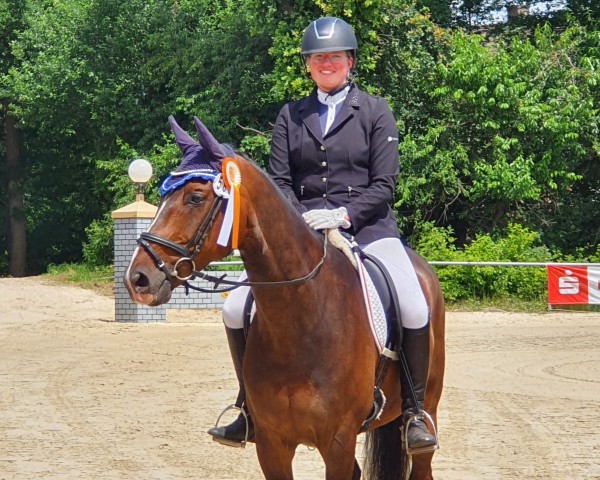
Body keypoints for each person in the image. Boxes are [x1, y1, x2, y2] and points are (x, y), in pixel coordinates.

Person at [208, 16, 437, 451]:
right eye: (317, 58)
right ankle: (249, 408)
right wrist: (302, 220)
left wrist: (343, 215)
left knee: (412, 301)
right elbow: (279, 183)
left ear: (349, 61)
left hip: (368, 230)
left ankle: (413, 413)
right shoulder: (290, 115)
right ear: (308, 66)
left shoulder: (374, 110)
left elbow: (385, 185)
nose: (326, 63)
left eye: (334, 56)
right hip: (302, 235)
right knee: (236, 307)